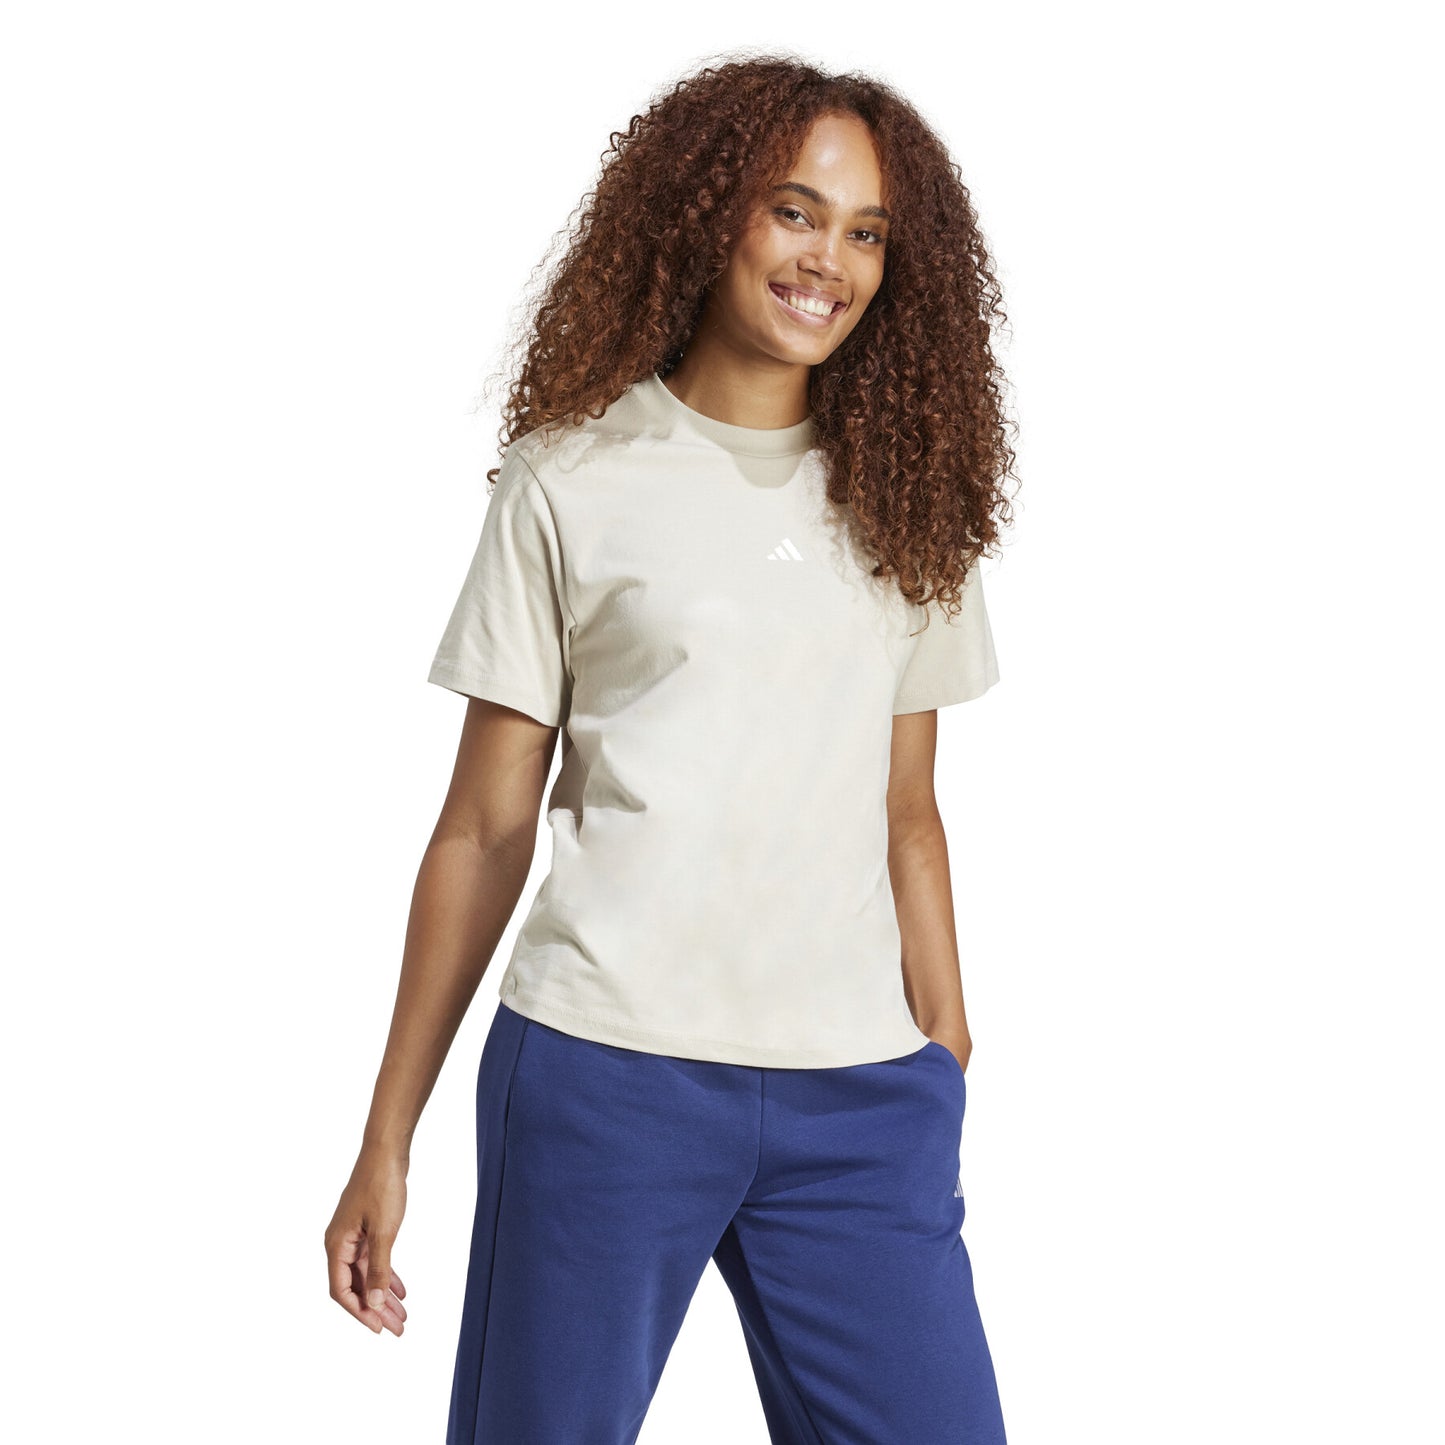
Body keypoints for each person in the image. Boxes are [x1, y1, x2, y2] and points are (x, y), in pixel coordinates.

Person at [325, 53, 1017, 1444]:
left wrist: (942, 1050)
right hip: (606, 1075)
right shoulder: (572, 477)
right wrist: (386, 1136)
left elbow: (907, 811)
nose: (828, 260)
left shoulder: (907, 499)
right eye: (794, 211)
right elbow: (483, 828)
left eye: (867, 232)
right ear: (708, 215)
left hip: (860, 1097)